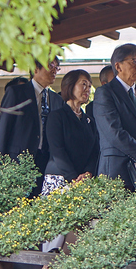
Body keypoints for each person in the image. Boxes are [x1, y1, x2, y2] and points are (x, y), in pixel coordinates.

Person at [41, 69, 101, 251]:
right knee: (56, 234)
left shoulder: (89, 120)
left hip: (82, 182)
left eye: (89, 86)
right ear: (70, 86)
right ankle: (48, 265)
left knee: (79, 232)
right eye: (83, 84)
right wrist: (74, 178)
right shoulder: (56, 116)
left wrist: (88, 173)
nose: (87, 89)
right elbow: (57, 151)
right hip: (59, 179)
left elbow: (95, 151)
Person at [93, 44, 136, 189]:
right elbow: (114, 133)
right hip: (117, 172)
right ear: (118, 66)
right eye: (134, 62)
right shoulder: (105, 93)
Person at [0, 57, 63, 187]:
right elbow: (3, 129)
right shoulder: (16, 93)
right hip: (18, 160)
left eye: (57, 67)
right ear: (35, 69)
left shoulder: (56, 99)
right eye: (50, 65)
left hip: (45, 162)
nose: (54, 71)